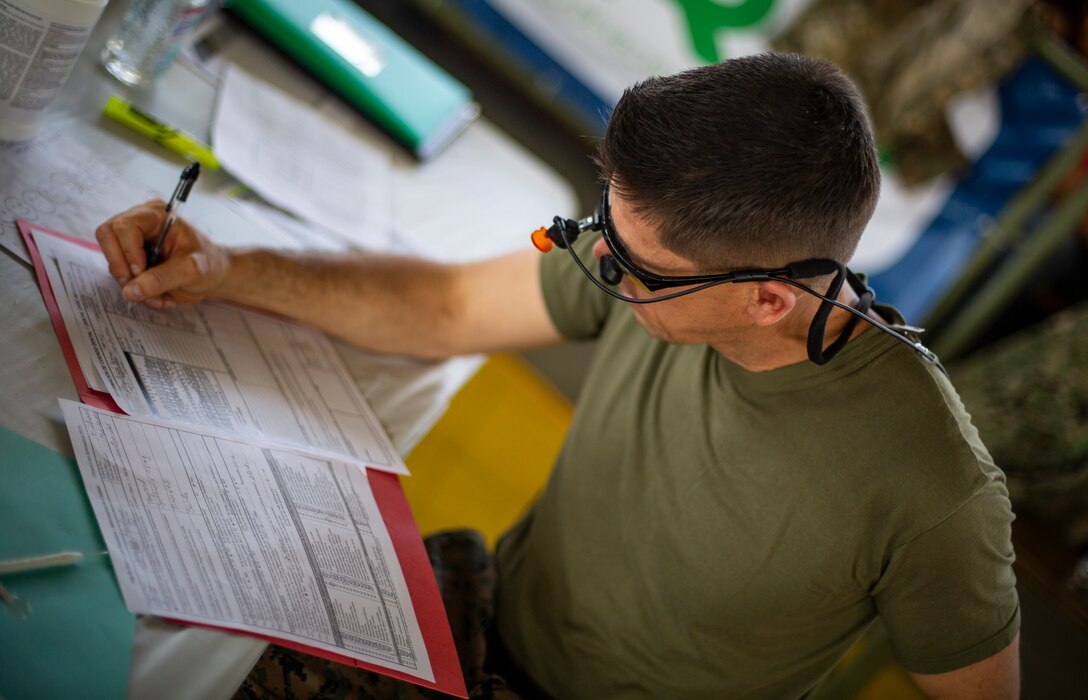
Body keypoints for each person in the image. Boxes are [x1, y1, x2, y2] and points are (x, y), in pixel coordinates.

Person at [95, 53, 1020, 699]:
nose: (604, 270)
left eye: (636, 266)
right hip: (475, 606)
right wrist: (231, 270)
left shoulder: (935, 494)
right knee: (173, 639)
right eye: (600, 232)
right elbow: (450, 308)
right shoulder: (647, 265)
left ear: (768, 299)